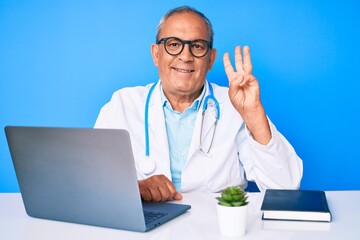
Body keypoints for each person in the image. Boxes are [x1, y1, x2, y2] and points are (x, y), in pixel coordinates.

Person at [95, 6, 303, 202]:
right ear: (156, 54)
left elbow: (284, 188)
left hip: (218, 228)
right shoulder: (122, 104)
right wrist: (135, 187)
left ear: (211, 59)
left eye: (197, 46)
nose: (185, 56)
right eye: (174, 44)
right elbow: (94, 185)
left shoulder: (236, 105)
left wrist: (253, 113)